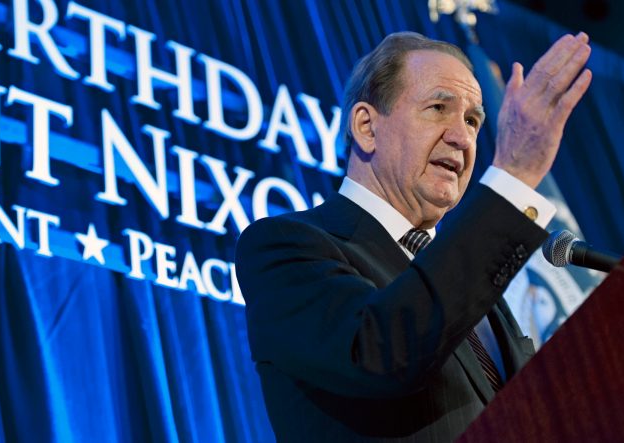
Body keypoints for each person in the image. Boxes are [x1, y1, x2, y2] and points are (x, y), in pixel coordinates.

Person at [235, 31, 591, 442]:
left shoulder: (475, 284)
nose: (462, 138)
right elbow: (381, 355)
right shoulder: (285, 246)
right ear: (366, 127)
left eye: (473, 121)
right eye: (438, 108)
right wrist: (514, 176)